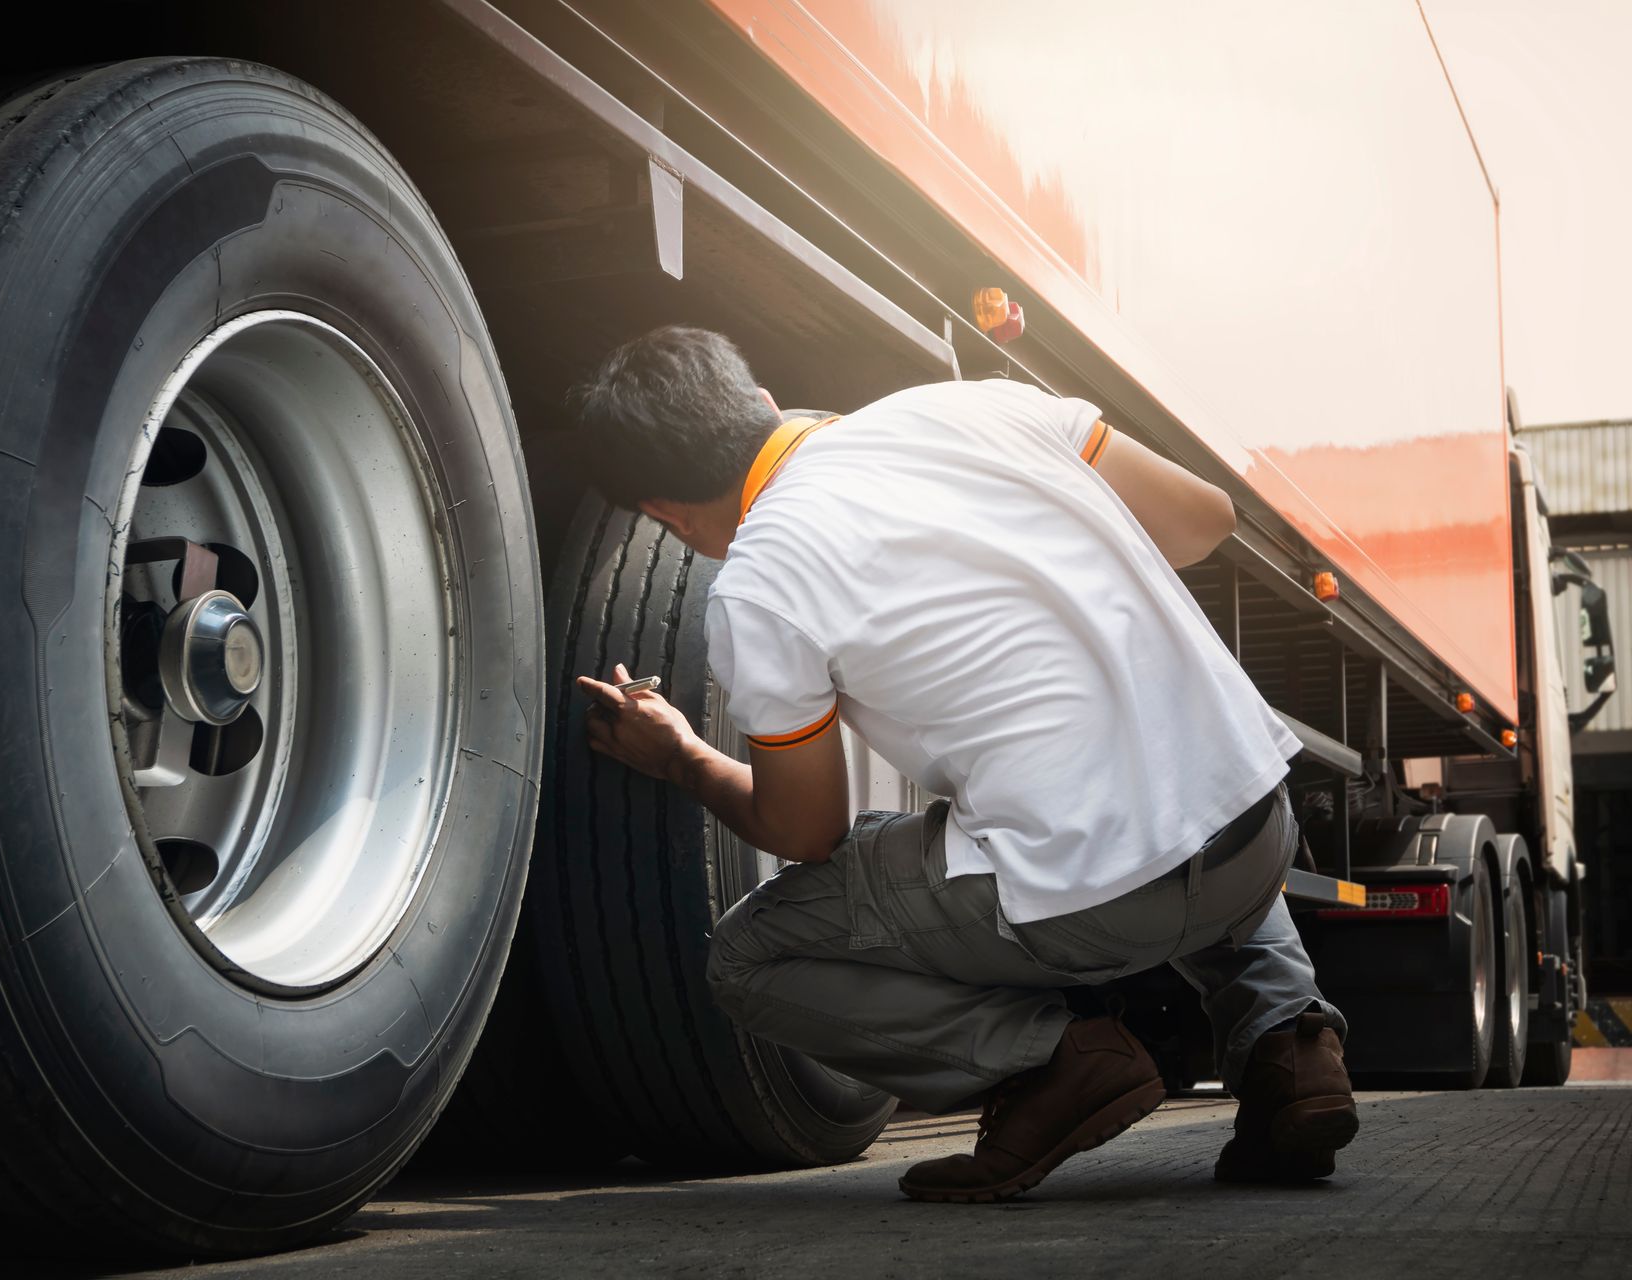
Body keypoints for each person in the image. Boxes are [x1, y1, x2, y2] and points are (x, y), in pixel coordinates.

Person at [571, 325, 1356, 1202]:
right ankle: (1293, 1044)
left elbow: (808, 830)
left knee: (750, 957)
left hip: (1102, 903)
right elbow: (1206, 517)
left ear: (666, 517)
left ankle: (1057, 1063)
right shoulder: (987, 404)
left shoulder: (760, 583)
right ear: (757, 402)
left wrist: (680, 756)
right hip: (1260, 834)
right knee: (1178, 771)